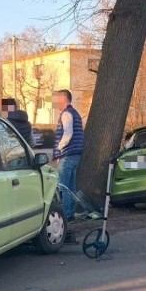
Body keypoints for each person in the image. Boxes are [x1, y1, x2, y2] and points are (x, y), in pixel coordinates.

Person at [52, 89, 84, 242]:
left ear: (63, 99)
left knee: (63, 188)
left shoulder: (66, 114)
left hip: (68, 155)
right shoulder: (75, 113)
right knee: (70, 188)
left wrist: (59, 149)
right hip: (75, 155)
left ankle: (65, 220)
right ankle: (70, 218)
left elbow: (68, 134)